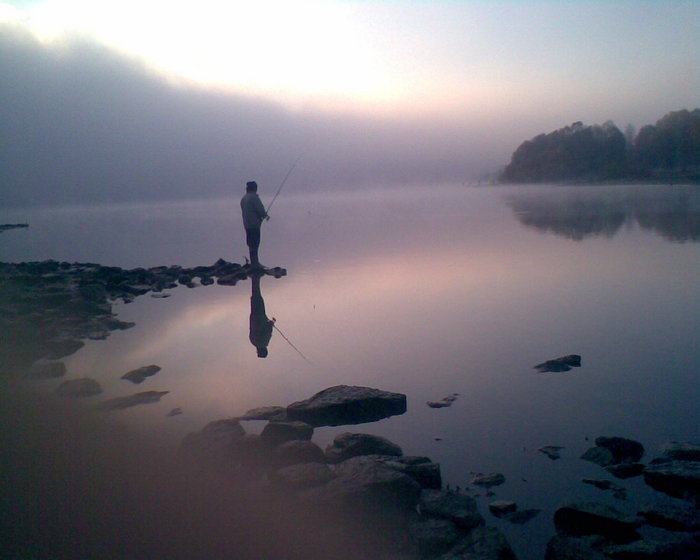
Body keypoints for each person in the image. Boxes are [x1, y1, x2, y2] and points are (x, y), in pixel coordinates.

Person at [240, 181, 268, 268]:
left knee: (250, 243)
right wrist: (265, 215)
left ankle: (253, 262)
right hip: (254, 225)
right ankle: (255, 263)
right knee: (255, 243)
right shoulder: (254, 198)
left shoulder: (244, 199)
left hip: (247, 224)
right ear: (255, 188)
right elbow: (260, 209)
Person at [249, 273, 274, 358]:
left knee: (258, 297)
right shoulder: (253, 342)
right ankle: (254, 278)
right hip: (253, 316)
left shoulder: (264, 342)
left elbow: (268, 330)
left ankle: (255, 275)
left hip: (260, 316)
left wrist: (272, 322)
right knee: (255, 296)